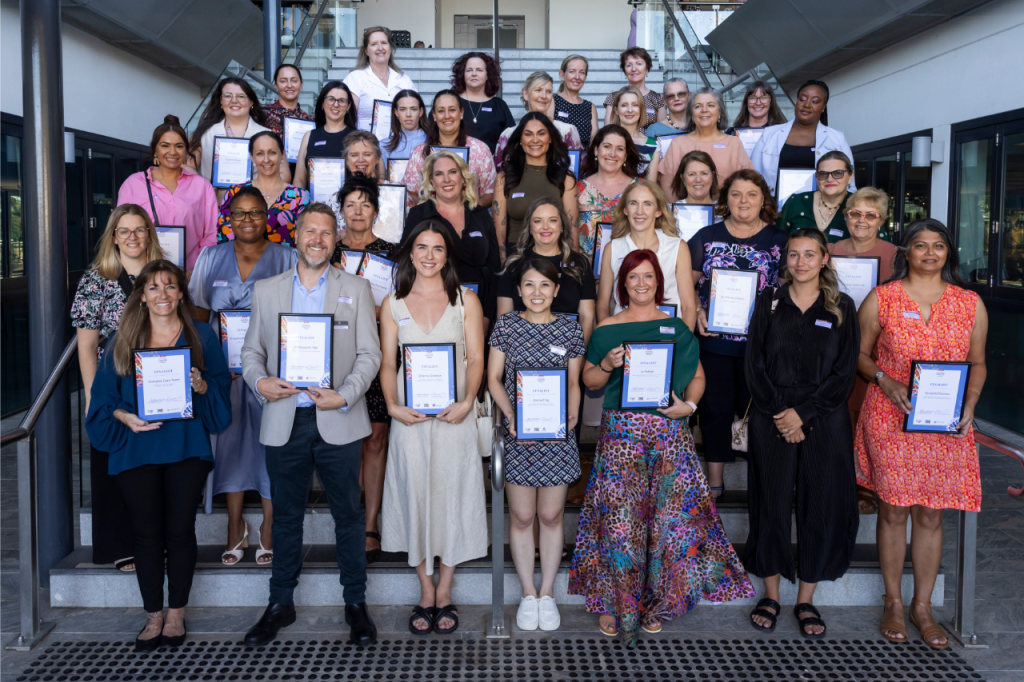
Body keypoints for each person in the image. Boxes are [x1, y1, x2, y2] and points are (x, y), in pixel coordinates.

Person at [570, 250, 754, 646]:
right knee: (619, 527)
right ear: (623, 283)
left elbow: (699, 377)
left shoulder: (675, 328)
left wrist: (687, 407)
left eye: (648, 277)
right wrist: (607, 364)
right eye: (633, 277)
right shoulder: (607, 328)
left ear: (658, 282)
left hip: (668, 436)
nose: (640, 284)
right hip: (621, 438)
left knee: (664, 526)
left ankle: (653, 603)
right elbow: (590, 382)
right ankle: (614, 601)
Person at [240, 203, 382, 647]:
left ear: (335, 239)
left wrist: (348, 393)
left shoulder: (356, 289)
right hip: (285, 419)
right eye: (310, 232)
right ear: (295, 237)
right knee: (285, 517)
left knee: (349, 515)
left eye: (325, 233)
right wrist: (260, 381)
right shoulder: (267, 289)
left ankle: (355, 604)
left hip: (336, 417)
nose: (317, 239)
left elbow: (370, 354)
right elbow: (250, 354)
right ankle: (280, 603)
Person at [85, 260, 231, 651]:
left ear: (182, 293)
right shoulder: (122, 338)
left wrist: (200, 385)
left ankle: (177, 612)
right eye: (153, 288)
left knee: (180, 530)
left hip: (186, 448)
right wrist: (123, 416)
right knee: (147, 535)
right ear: (142, 296)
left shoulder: (201, 336)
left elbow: (220, 394)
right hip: (137, 448)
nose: (162, 295)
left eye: (170, 287)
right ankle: (153, 614)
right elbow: (103, 400)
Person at [855, 219, 988, 650]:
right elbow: (858, 354)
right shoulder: (883, 298)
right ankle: (894, 601)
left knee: (932, 514)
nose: (929, 253)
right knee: (893, 510)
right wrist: (883, 380)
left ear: (948, 253)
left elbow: (978, 362)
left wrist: (969, 405)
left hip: (945, 423)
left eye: (938, 246)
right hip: (891, 416)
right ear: (905, 252)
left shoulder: (970, 303)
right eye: (920, 245)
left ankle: (922, 607)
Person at [744, 228, 861, 638]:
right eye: (794, 255)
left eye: (809, 255)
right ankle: (772, 593)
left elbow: (845, 372)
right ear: (786, 260)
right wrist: (781, 412)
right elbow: (753, 363)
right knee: (770, 501)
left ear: (824, 259)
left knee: (821, 503)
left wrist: (804, 414)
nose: (801, 263)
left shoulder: (842, 307)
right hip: (771, 415)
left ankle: (806, 598)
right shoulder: (769, 302)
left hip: (824, 419)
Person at [379, 221, 488, 636]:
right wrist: (392, 406)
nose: (429, 256)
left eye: (437, 249)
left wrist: (467, 402)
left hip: (454, 418)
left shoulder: (466, 301)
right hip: (410, 419)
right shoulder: (393, 302)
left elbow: (476, 358)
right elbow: (389, 363)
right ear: (410, 253)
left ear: (447, 255)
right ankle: (425, 590)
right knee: (416, 498)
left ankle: (445, 590)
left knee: (452, 498)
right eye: (421, 247)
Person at [191, 186, 298, 566]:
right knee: (229, 447)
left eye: (255, 213)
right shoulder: (211, 257)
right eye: (239, 213)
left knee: (272, 447)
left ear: (267, 215)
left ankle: (269, 525)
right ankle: (235, 526)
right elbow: (200, 317)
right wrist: (207, 366)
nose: (247, 220)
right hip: (224, 376)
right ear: (229, 218)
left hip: (271, 373)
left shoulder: (288, 257)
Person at [488, 258, 585, 632]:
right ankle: (528, 593)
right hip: (519, 435)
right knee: (522, 517)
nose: (537, 292)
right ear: (519, 290)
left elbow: (574, 382)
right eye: (529, 285)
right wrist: (511, 414)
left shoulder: (569, 329)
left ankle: (548, 593)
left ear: (556, 290)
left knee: (551, 516)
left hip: (556, 437)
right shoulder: (506, 326)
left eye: (545, 285)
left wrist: (573, 413)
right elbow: (494, 379)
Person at [71, 205, 166, 573]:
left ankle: (155, 542)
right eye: (124, 231)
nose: (132, 237)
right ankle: (119, 545)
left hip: (156, 382)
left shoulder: (162, 275)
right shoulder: (96, 280)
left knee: (154, 468)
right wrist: (95, 398)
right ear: (113, 236)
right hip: (113, 385)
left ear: (149, 235)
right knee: (113, 467)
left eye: (139, 230)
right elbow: (85, 347)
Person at [689, 169, 787, 498]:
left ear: (763, 201)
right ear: (725, 200)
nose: (743, 201)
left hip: (760, 346)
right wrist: (699, 310)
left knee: (758, 413)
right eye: (735, 194)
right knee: (714, 410)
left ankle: (760, 482)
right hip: (713, 344)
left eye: (751, 195)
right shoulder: (706, 237)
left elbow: (790, 289)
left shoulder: (778, 241)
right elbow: (684, 287)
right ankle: (715, 482)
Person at [326, 177, 397, 563]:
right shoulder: (327, 251)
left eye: (364, 205)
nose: (357, 211)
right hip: (336, 356)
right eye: (350, 205)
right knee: (346, 442)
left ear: (375, 211)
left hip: (379, 352)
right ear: (342, 210)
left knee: (375, 439)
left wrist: (373, 311)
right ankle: (350, 521)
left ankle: (371, 522)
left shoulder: (392, 253)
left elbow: (399, 304)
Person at [833, 190, 898, 513]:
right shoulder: (829, 251)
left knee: (865, 417)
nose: (861, 220)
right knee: (838, 414)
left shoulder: (896, 256)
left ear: (882, 221)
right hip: (832, 342)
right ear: (845, 216)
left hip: (876, 349)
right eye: (855, 213)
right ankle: (836, 481)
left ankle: (865, 486)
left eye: (870, 215)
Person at [406, 151, 500, 323]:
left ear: (463, 177)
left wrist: (486, 316)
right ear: (432, 181)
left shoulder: (480, 214)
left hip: (478, 307)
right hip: (431, 309)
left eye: (452, 172)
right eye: (439, 174)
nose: (447, 179)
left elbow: (494, 268)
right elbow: (406, 264)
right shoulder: (419, 215)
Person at [117, 115, 219, 271]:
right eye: (165, 145)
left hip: (189, 275)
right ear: (155, 149)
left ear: (185, 150)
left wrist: (198, 269)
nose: (172, 152)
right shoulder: (133, 184)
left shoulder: (202, 186)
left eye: (179, 146)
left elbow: (211, 234)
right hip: (144, 272)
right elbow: (122, 230)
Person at [596, 179, 696, 328]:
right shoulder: (612, 248)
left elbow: (688, 307)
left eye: (647, 204)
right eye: (633, 203)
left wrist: (683, 343)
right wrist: (609, 338)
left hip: (667, 334)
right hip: (624, 332)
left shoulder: (678, 247)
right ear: (625, 210)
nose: (639, 211)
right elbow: (603, 304)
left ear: (658, 211)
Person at [498, 198, 597, 344]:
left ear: (562, 225)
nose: (545, 227)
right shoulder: (513, 264)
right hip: (523, 346)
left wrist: (579, 354)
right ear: (530, 227)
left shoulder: (580, 264)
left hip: (569, 346)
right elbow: (504, 318)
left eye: (552, 220)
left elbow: (587, 317)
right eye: (538, 221)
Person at [750, 80, 855, 200]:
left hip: (821, 211)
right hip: (774, 211)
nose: (807, 105)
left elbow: (850, 184)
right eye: (802, 99)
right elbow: (752, 176)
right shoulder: (769, 134)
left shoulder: (837, 138)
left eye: (815, 101)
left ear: (823, 108)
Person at [493, 113, 579, 258]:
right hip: (516, 256)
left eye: (541, 133)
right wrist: (503, 263)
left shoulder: (565, 178)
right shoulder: (504, 177)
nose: (535, 140)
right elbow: (499, 231)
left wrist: (573, 265)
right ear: (520, 139)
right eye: (528, 134)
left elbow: (572, 229)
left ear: (550, 138)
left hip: (554, 258)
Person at [652, 88, 752, 202]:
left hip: (726, 214)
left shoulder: (734, 144)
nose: (704, 110)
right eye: (698, 106)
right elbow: (668, 186)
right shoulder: (677, 144)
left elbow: (746, 184)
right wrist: (683, 212)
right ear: (692, 114)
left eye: (710, 105)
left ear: (719, 113)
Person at [401, 90, 497, 208]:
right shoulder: (420, 152)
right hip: (431, 223)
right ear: (434, 115)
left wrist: (471, 210)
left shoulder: (480, 150)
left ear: (461, 113)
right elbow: (411, 191)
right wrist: (428, 210)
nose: (447, 116)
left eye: (452, 110)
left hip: (469, 222)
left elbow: (490, 191)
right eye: (441, 111)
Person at [189, 78, 288, 189]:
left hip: (256, 201)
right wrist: (204, 185)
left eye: (241, 96)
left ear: (251, 102)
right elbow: (187, 167)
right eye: (228, 95)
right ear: (221, 101)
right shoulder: (205, 133)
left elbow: (284, 174)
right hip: (214, 202)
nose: (234, 100)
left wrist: (259, 188)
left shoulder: (266, 135)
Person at [217, 131, 310, 246]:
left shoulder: (300, 197)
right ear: (252, 157)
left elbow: (304, 242)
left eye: (272, 152)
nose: (266, 160)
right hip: (240, 263)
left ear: (282, 155)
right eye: (260, 153)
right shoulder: (234, 192)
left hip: (285, 263)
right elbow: (223, 238)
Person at [576, 125, 640, 260]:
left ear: (625, 156)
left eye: (620, 149)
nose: (612, 154)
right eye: (607, 146)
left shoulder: (640, 187)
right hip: (584, 271)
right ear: (595, 150)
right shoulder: (577, 189)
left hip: (629, 270)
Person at [494, 72, 584, 166]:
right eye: (538, 90)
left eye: (548, 91)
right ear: (525, 94)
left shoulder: (567, 131)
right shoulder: (509, 134)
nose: (544, 96)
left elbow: (579, 169)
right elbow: (501, 172)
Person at [343, 26, 417, 133]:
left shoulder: (404, 80)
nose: (380, 48)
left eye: (384, 43)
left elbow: (416, 114)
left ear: (390, 48)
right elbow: (347, 118)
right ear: (366, 51)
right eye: (374, 44)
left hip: (401, 145)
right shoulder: (355, 78)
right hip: (366, 145)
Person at [777, 151, 854, 242]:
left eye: (838, 173)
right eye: (823, 174)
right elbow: (776, 243)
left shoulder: (858, 205)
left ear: (850, 177)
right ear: (816, 178)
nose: (829, 179)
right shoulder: (796, 201)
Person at [293, 81, 357, 189]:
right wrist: (302, 204)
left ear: (348, 106)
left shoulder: (357, 138)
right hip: (313, 205)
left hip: (346, 204)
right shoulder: (309, 136)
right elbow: (299, 180)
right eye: (331, 99)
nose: (335, 105)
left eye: (341, 101)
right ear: (322, 103)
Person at [450, 51, 515, 153]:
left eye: (479, 70)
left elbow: (511, 139)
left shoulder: (500, 106)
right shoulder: (450, 102)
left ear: (488, 75)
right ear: (463, 74)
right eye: (469, 70)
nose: (474, 74)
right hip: (454, 165)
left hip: (491, 166)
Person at [602, 47, 665, 134]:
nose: (634, 69)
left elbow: (661, 133)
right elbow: (608, 132)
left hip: (649, 145)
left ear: (647, 69)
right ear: (624, 71)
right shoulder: (613, 97)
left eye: (639, 63)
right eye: (629, 65)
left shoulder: (657, 98)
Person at [608, 86, 658, 174]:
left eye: (635, 105)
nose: (630, 110)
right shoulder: (605, 140)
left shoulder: (653, 145)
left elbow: (650, 185)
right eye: (624, 105)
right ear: (616, 110)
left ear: (641, 109)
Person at [554, 54, 599, 149]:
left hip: (584, 162)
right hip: (557, 160)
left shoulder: (590, 107)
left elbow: (594, 142)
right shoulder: (552, 101)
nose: (577, 77)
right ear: (562, 75)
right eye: (572, 72)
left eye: (582, 73)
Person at [263, 64, 314, 135]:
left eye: (294, 81)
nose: (289, 85)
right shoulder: (262, 115)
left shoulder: (309, 121)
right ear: (276, 86)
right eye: (283, 81)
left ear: (301, 85)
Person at [381, 89, 428, 164]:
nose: (408, 114)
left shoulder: (432, 142)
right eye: (403, 109)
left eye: (413, 109)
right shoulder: (384, 145)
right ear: (396, 112)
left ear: (421, 112)